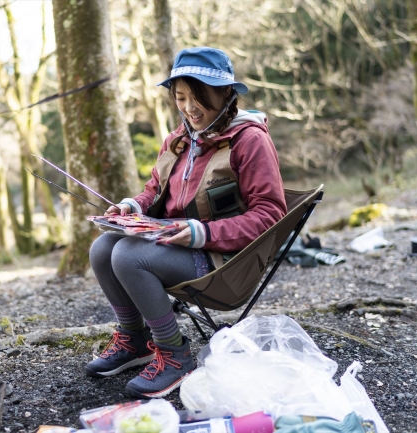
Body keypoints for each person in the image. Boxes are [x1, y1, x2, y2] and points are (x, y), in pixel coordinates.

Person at [86, 46, 287, 398]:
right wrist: (133, 206)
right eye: (180, 98)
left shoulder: (249, 140)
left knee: (128, 256)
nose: (190, 108)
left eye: (200, 97)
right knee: (103, 247)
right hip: (177, 245)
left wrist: (202, 232)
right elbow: (155, 190)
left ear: (226, 94)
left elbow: (270, 215)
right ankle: (135, 341)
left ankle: (175, 354)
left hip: (224, 261)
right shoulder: (179, 139)